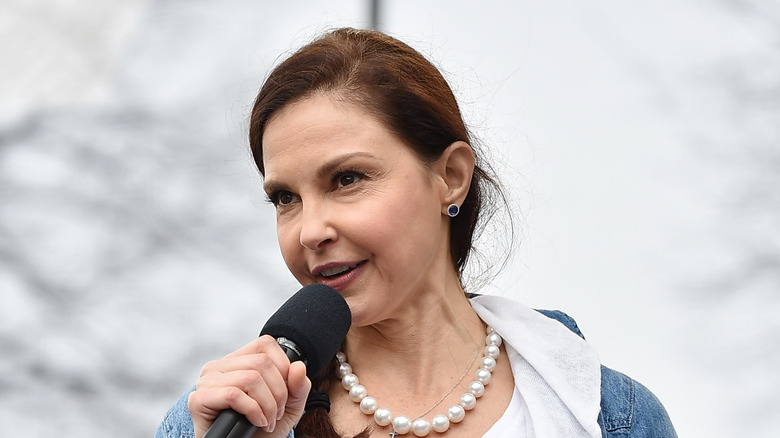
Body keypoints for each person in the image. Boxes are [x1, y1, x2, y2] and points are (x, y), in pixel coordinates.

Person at [155, 27, 677, 438]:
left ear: (450, 177)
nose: (310, 230)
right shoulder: (221, 422)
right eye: (284, 198)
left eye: (347, 179)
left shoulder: (611, 417)